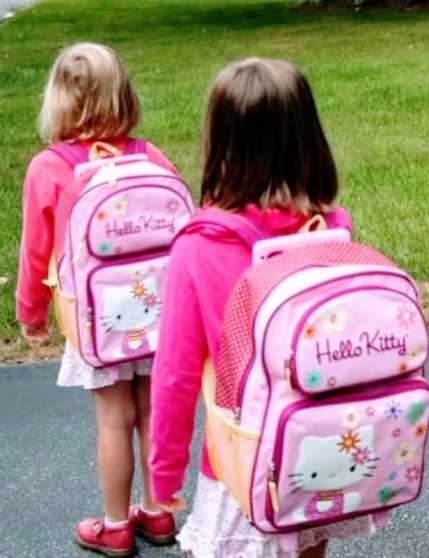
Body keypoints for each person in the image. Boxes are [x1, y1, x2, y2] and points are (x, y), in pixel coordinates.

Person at [149, 58, 380, 558]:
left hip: (242, 459)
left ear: (221, 143)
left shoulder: (199, 246)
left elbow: (174, 373)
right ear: (308, 141)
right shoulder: (330, 228)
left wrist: (164, 475)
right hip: (319, 450)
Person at [15, 42, 178, 556]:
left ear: (58, 101)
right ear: (123, 95)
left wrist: (30, 313)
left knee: (113, 419)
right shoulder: (147, 154)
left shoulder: (49, 166)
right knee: (153, 413)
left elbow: (34, 251)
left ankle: (114, 525)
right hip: (155, 314)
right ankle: (158, 513)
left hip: (95, 324)